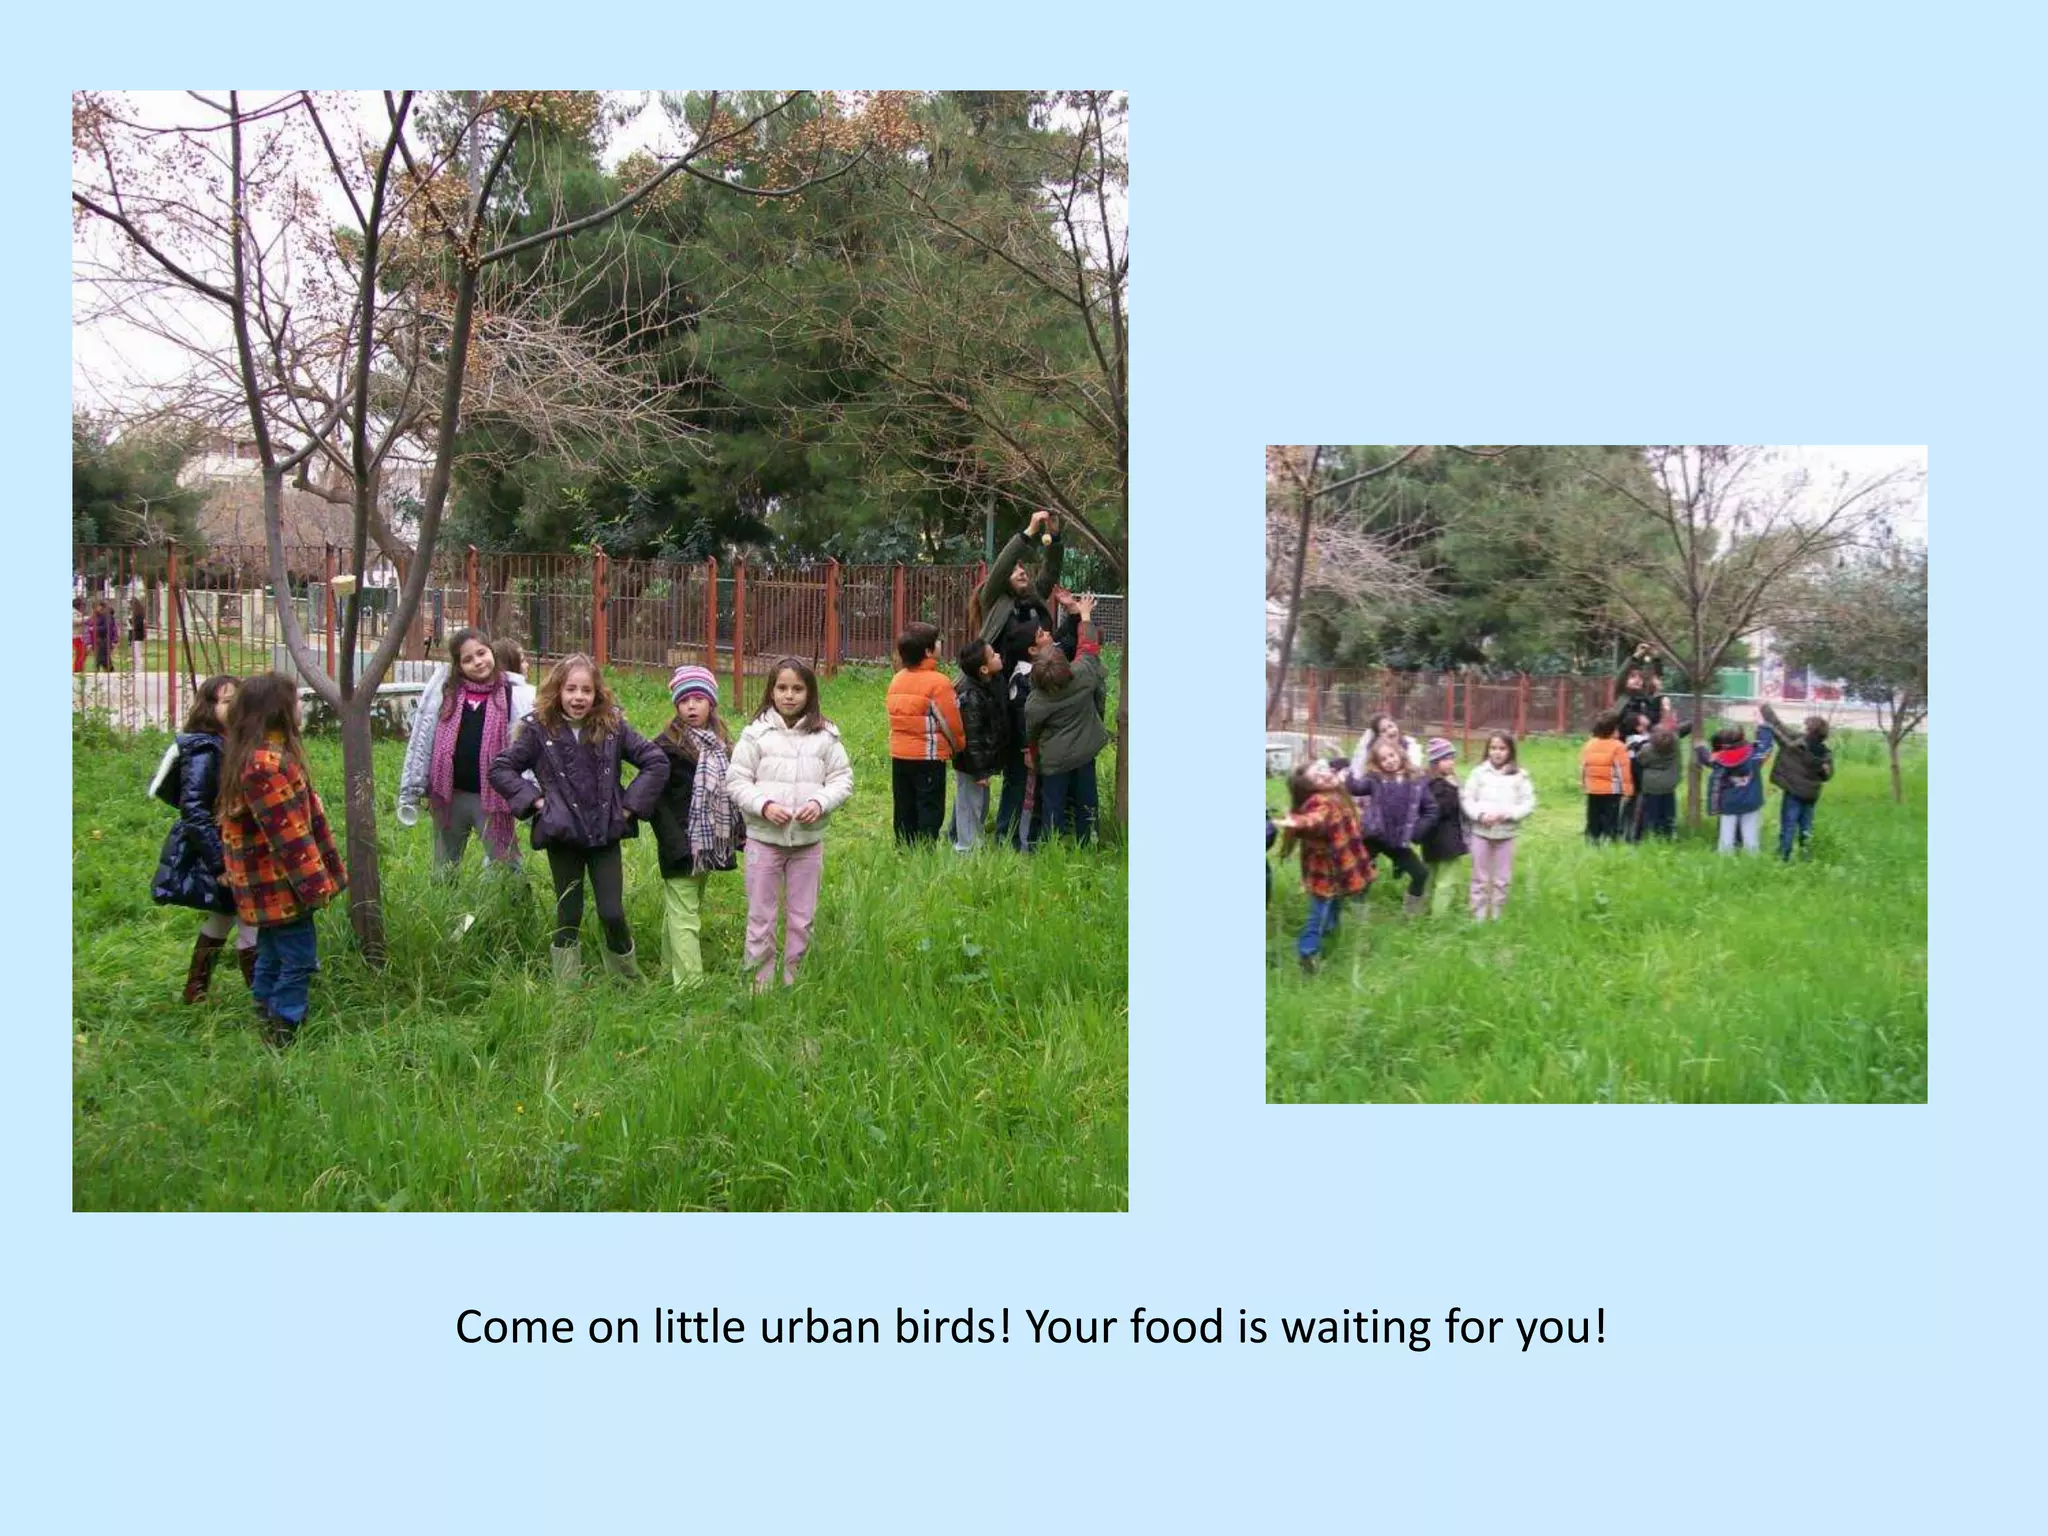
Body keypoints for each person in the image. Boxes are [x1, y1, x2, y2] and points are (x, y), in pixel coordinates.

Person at [489, 654, 669, 986]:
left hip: (604, 834)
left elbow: (655, 761)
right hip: (562, 835)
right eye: (571, 689)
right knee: (568, 912)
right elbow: (501, 768)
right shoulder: (538, 729)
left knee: (612, 912)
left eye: (586, 690)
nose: (578, 697)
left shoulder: (612, 726)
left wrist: (627, 807)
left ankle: (626, 978)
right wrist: (538, 802)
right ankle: (566, 986)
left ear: (597, 693)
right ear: (558, 690)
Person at [217, 672, 348, 1045]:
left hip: (270, 883)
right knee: (298, 956)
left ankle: (265, 1011)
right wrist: (314, 886)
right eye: (296, 701)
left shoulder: (259, 756)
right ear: (277, 710)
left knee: (272, 951)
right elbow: (288, 835)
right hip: (280, 884)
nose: (301, 707)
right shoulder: (267, 765)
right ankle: (285, 1026)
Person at [726, 659, 855, 988]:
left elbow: (842, 779)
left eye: (797, 689)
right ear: (771, 691)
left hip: (807, 843)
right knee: (761, 915)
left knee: (802, 916)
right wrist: (764, 806)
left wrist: (819, 802)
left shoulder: (826, 736)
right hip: (763, 840)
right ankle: (760, 981)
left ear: (810, 693)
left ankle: (795, 979)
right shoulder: (755, 735)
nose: (789, 695)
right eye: (782, 688)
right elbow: (737, 781)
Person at [151, 674, 257, 1003]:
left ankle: (195, 990)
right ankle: (265, 1000)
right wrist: (219, 864)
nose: (234, 707)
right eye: (226, 701)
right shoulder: (204, 748)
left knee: (223, 915)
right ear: (208, 707)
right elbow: (194, 810)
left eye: (237, 700)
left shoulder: (230, 742)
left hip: (230, 843)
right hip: (219, 847)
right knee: (250, 916)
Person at [396, 627, 536, 872]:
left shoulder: (510, 692)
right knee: (444, 866)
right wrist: (412, 788)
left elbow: (528, 744)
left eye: (482, 653)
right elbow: (422, 738)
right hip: (449, 795)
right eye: (468, 659)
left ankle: (514, 896)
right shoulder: (447, 692)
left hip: (493, 797)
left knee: (508, 865)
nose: (478, 662)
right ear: (459, 666)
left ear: (492, 652)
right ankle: (445, 896)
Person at [648, 666, 743, 989]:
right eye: (684, 700)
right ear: (676, 704)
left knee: (684, 906)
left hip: (708, 842)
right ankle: (689, 984)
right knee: (685, 911)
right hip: (677, 841)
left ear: (711, 703)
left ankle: (667, 966)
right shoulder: (664, 747)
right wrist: (674, 841)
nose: (691, 706)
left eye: (698, 699)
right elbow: (655, 801)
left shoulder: (720, 745)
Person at [974, 508, 1064, 847]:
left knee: (1036, 766)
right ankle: (1000, 835)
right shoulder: (993, 600)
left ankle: (1032, 835)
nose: (1021, 570)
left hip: (1039, 691)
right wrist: (1028, 532)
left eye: (1023, 567)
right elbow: (1001, 567)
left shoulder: (1034, 598)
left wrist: (1054, 536)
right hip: (1004, 697)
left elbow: (1051, 570)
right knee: (1007, 769)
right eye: (1015, 569)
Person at [1023, 596, 1111, 844]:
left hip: (1054, 761)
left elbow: (1032, 733)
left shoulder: (1036, 702)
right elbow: (1088, 648)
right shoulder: (1082, 675)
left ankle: (1052, 845)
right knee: (1087, 801)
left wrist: (1034, 756)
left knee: (1053, 804)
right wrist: (1085, 615)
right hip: (1084, 752)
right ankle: (1088, 840)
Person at [1273, 761, 1372, 973]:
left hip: (1340, 869)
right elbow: (1315, 819)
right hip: (1326, 873)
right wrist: (1297, 822)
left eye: (1324, 768)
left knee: (1333, 908)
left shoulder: (1337, 795)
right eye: (1318, 775)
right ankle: (1307, 952)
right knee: (1319, 914)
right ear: (1311, 787)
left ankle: (1328, 943)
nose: (1326, 774)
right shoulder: (1321, 801)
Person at [885, 621, 966, 845]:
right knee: (930, 806)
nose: (941, 643)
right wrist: (959, 746)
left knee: (904, 806)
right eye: (938, 641)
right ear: (928, 651)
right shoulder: (939, 683)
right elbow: (950, 723)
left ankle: (904, 849)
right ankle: (925, 851)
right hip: (928, 758)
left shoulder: (897, 679)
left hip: (900, 755)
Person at [1345, 737, 1438, 915]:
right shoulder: (1375, 779)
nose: (1389, 761)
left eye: (1391, 755)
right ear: (1377, 763)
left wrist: (1416, 831)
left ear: (1400, 754)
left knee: (1420, 874)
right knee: (1365, 875)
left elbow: (1431, 809)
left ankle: (1411, 914)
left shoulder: (1416, 780)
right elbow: (1354, 788)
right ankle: (1357, 915)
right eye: (1383, 759)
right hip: (1375, 836)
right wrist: (1346, 766)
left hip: (1398, 840)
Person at [1462, 732, 1536, 921]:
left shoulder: (1520, 775)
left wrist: (1508, 814)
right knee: (1479, 876)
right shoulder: (1478, 773)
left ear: (1510, 751)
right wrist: (1480, 815)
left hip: (1506, 834)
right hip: (1481, 832)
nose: (1497, 752)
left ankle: (1497, 915)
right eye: (1493, 748)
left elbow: (1528, 803)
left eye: (1502, 748)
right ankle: (1477, 915)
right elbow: (1467, 798)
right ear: (1487, 750)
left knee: (1502, 878)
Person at [950, 638, 1008, 850]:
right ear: (983, 669)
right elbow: (972, 739)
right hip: (970, 764)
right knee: (970, 805)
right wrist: (979, 771)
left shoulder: (990, 683)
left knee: (979, 804)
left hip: (981, 762)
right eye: (993, 655)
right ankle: (966, 848)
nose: (998, 656)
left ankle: (974, 843)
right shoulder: (971, 696)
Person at [1759, 702, 1834, 860]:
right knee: (1806, 827)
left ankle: (1783, 856)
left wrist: (1764, 708)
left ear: (1809, 731)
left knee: (1789, 825)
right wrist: (1825, 770)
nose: (1803, 728)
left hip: (1793, 793)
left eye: (1806, 727)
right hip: (1810, 796)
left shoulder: (1795, 745)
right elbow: (1827, 776)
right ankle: (1806, 856)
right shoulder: (1825, 753)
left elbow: (1778, 727)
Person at [1695, 722, 1776, 855]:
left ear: (1724, 744)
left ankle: (1725, 856)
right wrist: (1763, 727)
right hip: (1751, 800)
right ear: (1742, 738)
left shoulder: (1720, 759)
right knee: (1750, 834)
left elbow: (1708, 759)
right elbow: (1766, 745)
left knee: (1726, 834)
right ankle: (1752, 857)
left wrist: (1700, 747)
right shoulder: (1754, 753)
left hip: (1729, 802)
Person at [1415, 737, 1469, 915]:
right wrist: (1455, 789)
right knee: (1447, 880)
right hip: (1448, 840)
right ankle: (1439, 917)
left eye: (1452, 758)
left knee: (1430, 876)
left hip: (1430, 840)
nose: (1451, 762)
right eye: (1446, 759)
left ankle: (1422, 910)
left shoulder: (1424, 782)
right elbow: (1442, 809)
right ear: (1435, 762)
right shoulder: (1440, 785)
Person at [1580, 708, 1634, 843]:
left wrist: (1584, 784)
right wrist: (1628, 791)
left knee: (1593, 817)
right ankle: (1609, 840)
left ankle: (1592, 839)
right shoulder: (1618, 747)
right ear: (1614, 730)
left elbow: (1584, 767)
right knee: (1611, 818)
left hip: (1593, 789)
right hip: (1612, 790)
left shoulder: (1589, 744)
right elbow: (1623, 771)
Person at [1631, 724, 1687, 841]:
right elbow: (1680, 731)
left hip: (1651, 785)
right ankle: (1668, 834)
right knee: (1668, 811)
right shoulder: (1674, 745)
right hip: (1669, 783)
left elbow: (1640, 761)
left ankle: (1651, 834)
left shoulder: (1647, 750)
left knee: (1651, 812)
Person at [1349, 712, 1424, 778]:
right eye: (1383, 731)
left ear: (1396, 726)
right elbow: (1358, 772)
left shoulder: (1410, 746)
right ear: (1378, 736)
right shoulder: (1375, 752)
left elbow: (1414, 771)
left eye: (1391, 726)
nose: (1389, 731)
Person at [1616, 642, 1669, 730]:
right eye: (1632, 677)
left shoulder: (1645, 697)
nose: (1637, 680)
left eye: (1640, 678)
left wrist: (1656, 657)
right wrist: (1636, 655)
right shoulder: (1622, 696)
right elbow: (1623, 673)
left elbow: (1656, 676)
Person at [91, 598, 117, 673]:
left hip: (105, 639)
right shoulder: (99, 615)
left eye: (96, 607)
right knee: (102, 657)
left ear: (101, 606)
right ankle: (108, 670)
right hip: (100, 639)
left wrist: (95, 628)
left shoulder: (107, 615)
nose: (95, 609)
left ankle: (99, 670)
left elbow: (107, 628)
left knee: (102, 657)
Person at [128, 595, 148, 675]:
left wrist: (131, 621)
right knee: (135, 653)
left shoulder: (139, 614)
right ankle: (136, 669)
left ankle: (139, 670)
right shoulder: (136, 613)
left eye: (131, 604)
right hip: (135, 635)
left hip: (137, 635)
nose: (130, 606)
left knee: (137, 653)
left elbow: (139, 625)